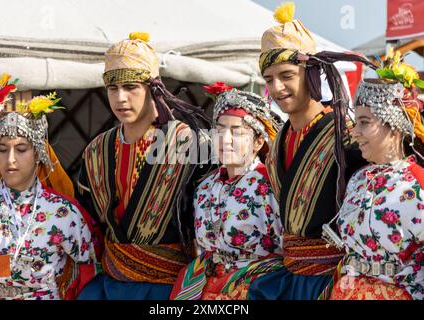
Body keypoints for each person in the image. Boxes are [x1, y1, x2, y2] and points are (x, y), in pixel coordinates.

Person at [248, 2, 375, 300]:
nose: (277, 88)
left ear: (312, 72)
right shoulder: (278, 139)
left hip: (330, 281)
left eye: (287, 75)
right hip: (291, 276)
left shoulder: (346, 134)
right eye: (269, 79)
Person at [76, 32, 212, 300]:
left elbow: (208, 217)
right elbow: (89, 218)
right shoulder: (97, 150)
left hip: (171, 288)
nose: (120, 99)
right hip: (112, 284)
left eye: (131, 87)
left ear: (154, 88)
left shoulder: (190, 142)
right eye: (113, 89)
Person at [0, 74, 100, 300]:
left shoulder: (63, 212)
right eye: (2, 149)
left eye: (21, 149)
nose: (10, 159)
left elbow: (91, 268)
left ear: (39, 153)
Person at [170, 84, 284, 300]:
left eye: (237, 132)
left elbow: (286, 249)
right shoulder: (205, 187)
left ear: (258, 142)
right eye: (220, 130)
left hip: (257, 290)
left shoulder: (269, 186)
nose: (226, 139)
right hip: (206, 287)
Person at [328, 50, 424, 300]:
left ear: (393, 126)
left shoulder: (418, 184)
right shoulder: (359, 179)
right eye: (355, 122)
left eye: (364, 122)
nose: (355, 132)